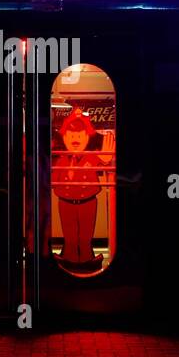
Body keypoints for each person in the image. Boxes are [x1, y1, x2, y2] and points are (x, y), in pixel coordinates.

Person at [52, 108, 115, 271]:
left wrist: (107, 160)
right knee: (70, 236)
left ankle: (86, 261)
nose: (75, 139)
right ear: (64, 137)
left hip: (88, 202)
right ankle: (70, 260)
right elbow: (52, 178)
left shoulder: (92, 156)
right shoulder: (60, 159)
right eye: (71, 135)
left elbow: (107, 163)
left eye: (80, 135)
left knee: (86, 236)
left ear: (87, 137)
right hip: (65, 202)